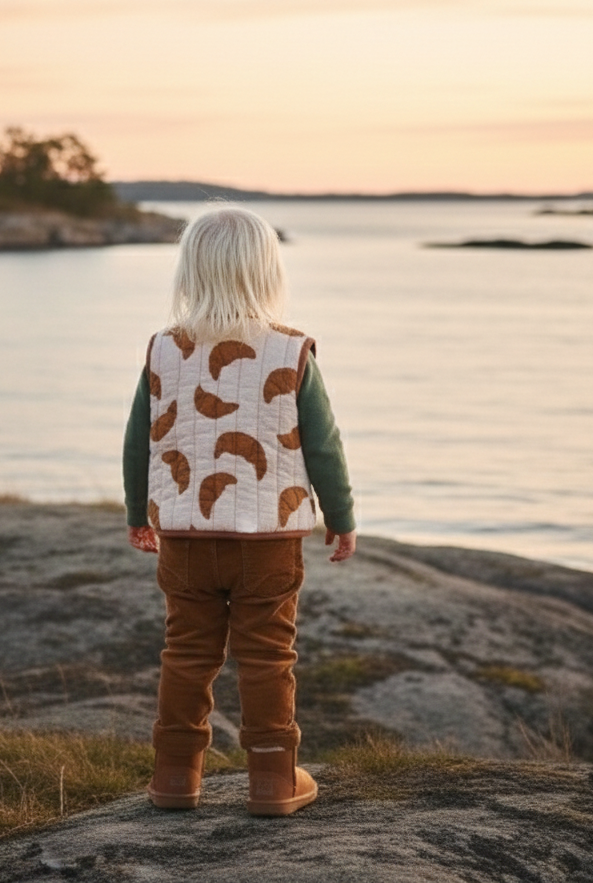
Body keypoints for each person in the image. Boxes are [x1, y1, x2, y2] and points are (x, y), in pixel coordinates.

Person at [122, 206, 356, 816]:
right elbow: (324, 445)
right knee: (268, 655)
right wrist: (342, 518)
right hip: (269, 538)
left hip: (185, 535)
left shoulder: (164, 350)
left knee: (187, 653)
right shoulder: (290, 350)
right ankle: (274, 781)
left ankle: (175, 777)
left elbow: (138, 439)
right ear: (266, 270)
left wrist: (137, 513)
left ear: (190, 269)